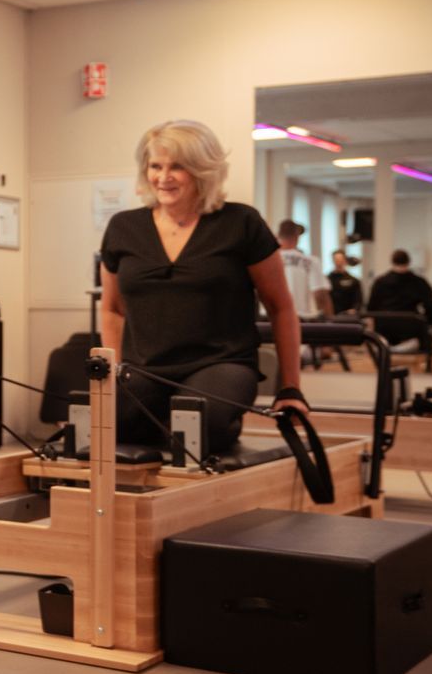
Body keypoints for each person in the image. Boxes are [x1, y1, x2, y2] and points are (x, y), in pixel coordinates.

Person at [99, 120, 307, 455]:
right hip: (145, 368)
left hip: (221, 365)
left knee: (192, 424)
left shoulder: (241, 223)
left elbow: (281, 306)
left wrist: (291, 387)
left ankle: (220, 423)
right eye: (156, 166)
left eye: (177, 167)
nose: (163, 177)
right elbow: (112, 308)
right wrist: (114, 373)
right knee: (108, 422)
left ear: (202, 170)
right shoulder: (124, 227)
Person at [364, 249, 432, 329]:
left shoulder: (380, 282)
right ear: (408, 262)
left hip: (384, 326)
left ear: (392, 262)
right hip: (410, 325)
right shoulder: (419, 282)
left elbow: (371, 307)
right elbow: (431, 306)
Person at [275, 220, 319, 321]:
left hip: (273, 316)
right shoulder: (309, 260)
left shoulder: (268, 259)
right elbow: (319, 293)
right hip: (301, 315)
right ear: (297, 237)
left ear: (277, 236)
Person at [327, 250, 362, 316]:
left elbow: (358, 300)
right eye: (336, 260)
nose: (338, 262)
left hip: (348, 315)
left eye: (340, 260)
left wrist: (354, 309)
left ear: (345, 261)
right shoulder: (327, 280)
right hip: (331, 314)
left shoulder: (353, 280)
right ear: (333, 260)